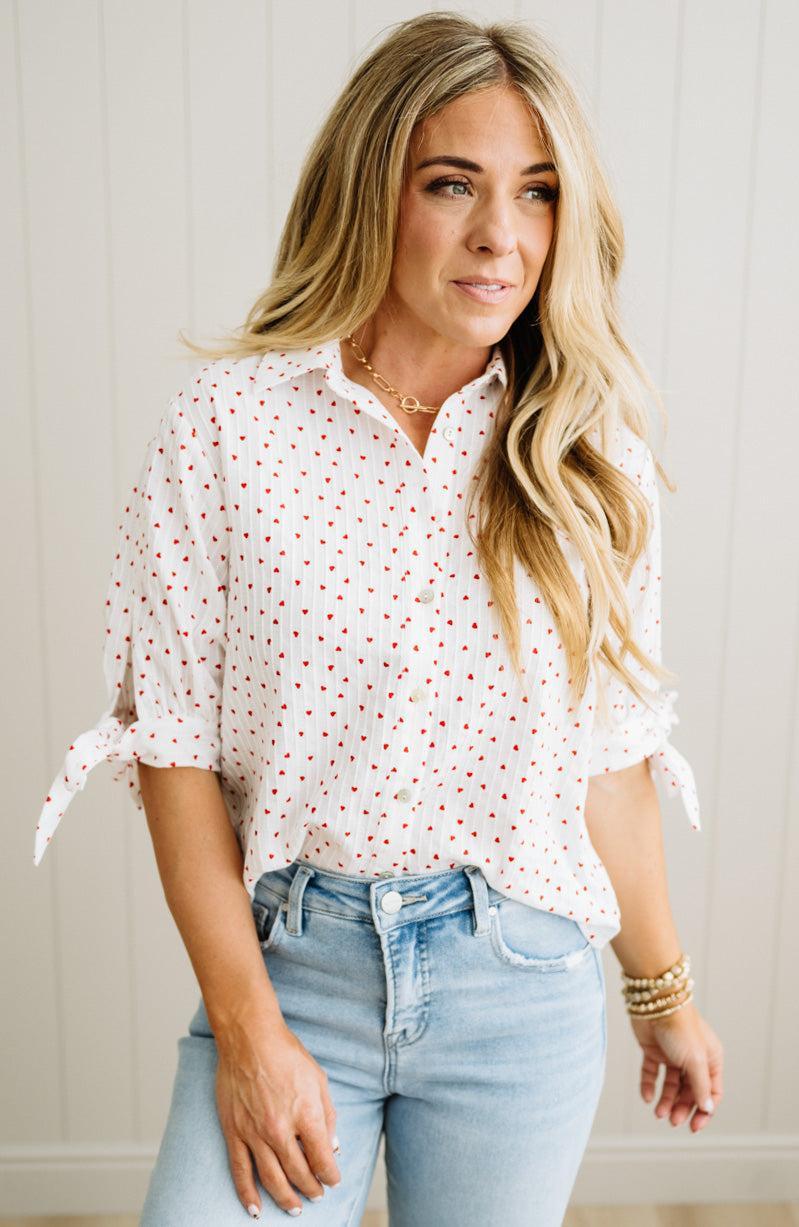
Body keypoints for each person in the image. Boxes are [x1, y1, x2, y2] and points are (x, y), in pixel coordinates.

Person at [32, 11, 724, 1225]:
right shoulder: (228, 429)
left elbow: (607, 764)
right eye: (450, 183)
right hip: (294, 974)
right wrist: (250, 1035)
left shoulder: (585, 456)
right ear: (371, 188)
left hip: (523, 988)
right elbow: (174, 755)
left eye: (537, 193)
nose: (499, 237)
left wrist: (662, 996)